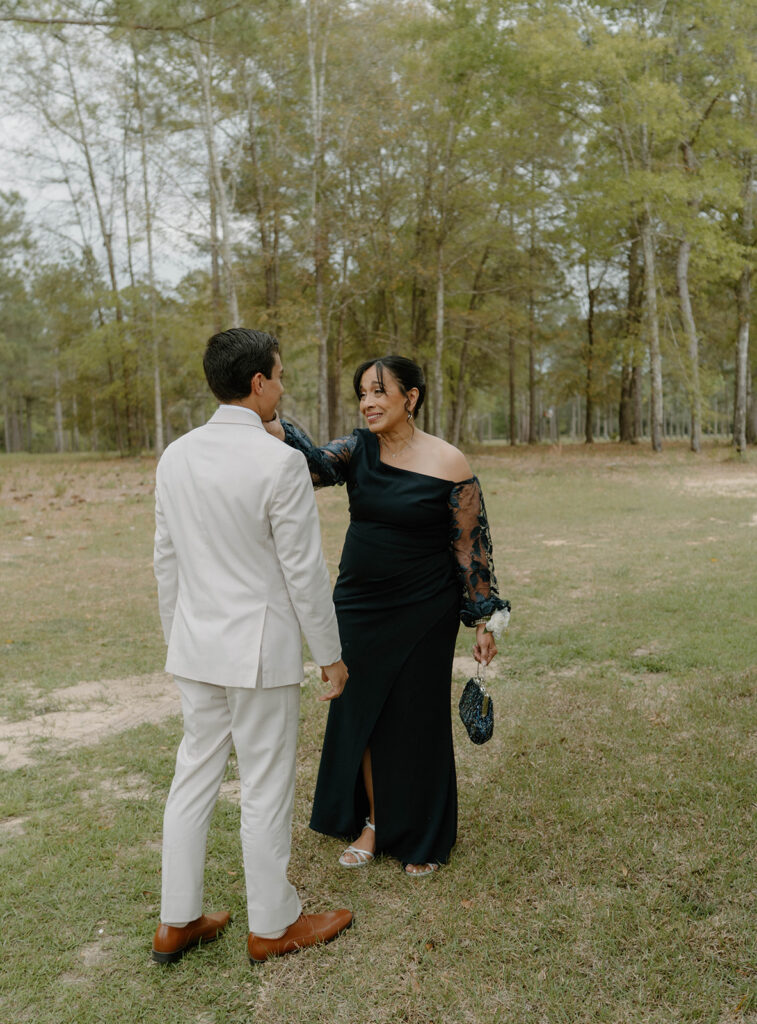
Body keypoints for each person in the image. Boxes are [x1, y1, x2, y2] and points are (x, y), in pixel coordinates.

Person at [151, 327, 353, 965]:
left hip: (196, 646)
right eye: (281, 375)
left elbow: (166, 562)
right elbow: (304, 572)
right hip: (259, 652)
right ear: (258, 384)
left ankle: (176, 920)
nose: (284, 386)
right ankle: (273, 925)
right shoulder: (279, 461)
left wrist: (176, 639)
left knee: (192, 781)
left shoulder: (174, 455)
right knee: (265, 786)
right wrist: (331, 653)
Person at [263, 355, 510, 876]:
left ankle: (423, 833)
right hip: (358, 604)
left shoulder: (450, 462)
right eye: (362, 394)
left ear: (411, 398)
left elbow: (471, 546)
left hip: (426, 606)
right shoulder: (356, 448)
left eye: (380, 392)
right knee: (363, 716)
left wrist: (483, 620)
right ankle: (373, 824)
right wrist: (272, 422)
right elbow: (315, 467)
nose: (369, 402)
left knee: (416, 718)